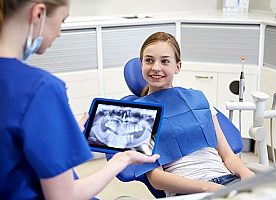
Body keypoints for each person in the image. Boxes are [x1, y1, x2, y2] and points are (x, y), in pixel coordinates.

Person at [0, 0, 159, 199]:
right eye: (62, 20)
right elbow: (63, 196)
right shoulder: (41, 88)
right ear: (38, 14)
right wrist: (122, 159)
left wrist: (57, 134)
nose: (59, 32)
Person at [134, 32, 255, 196]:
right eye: (149, 60)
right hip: (189, 192)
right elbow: (156, 177)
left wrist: (247, 175)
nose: (156, 67)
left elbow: (228, 156)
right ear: (141, 64)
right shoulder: (137, 114)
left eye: (165, 61)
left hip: (227, 181)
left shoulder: (198, 99)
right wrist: (207, 187)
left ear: (177, 66)